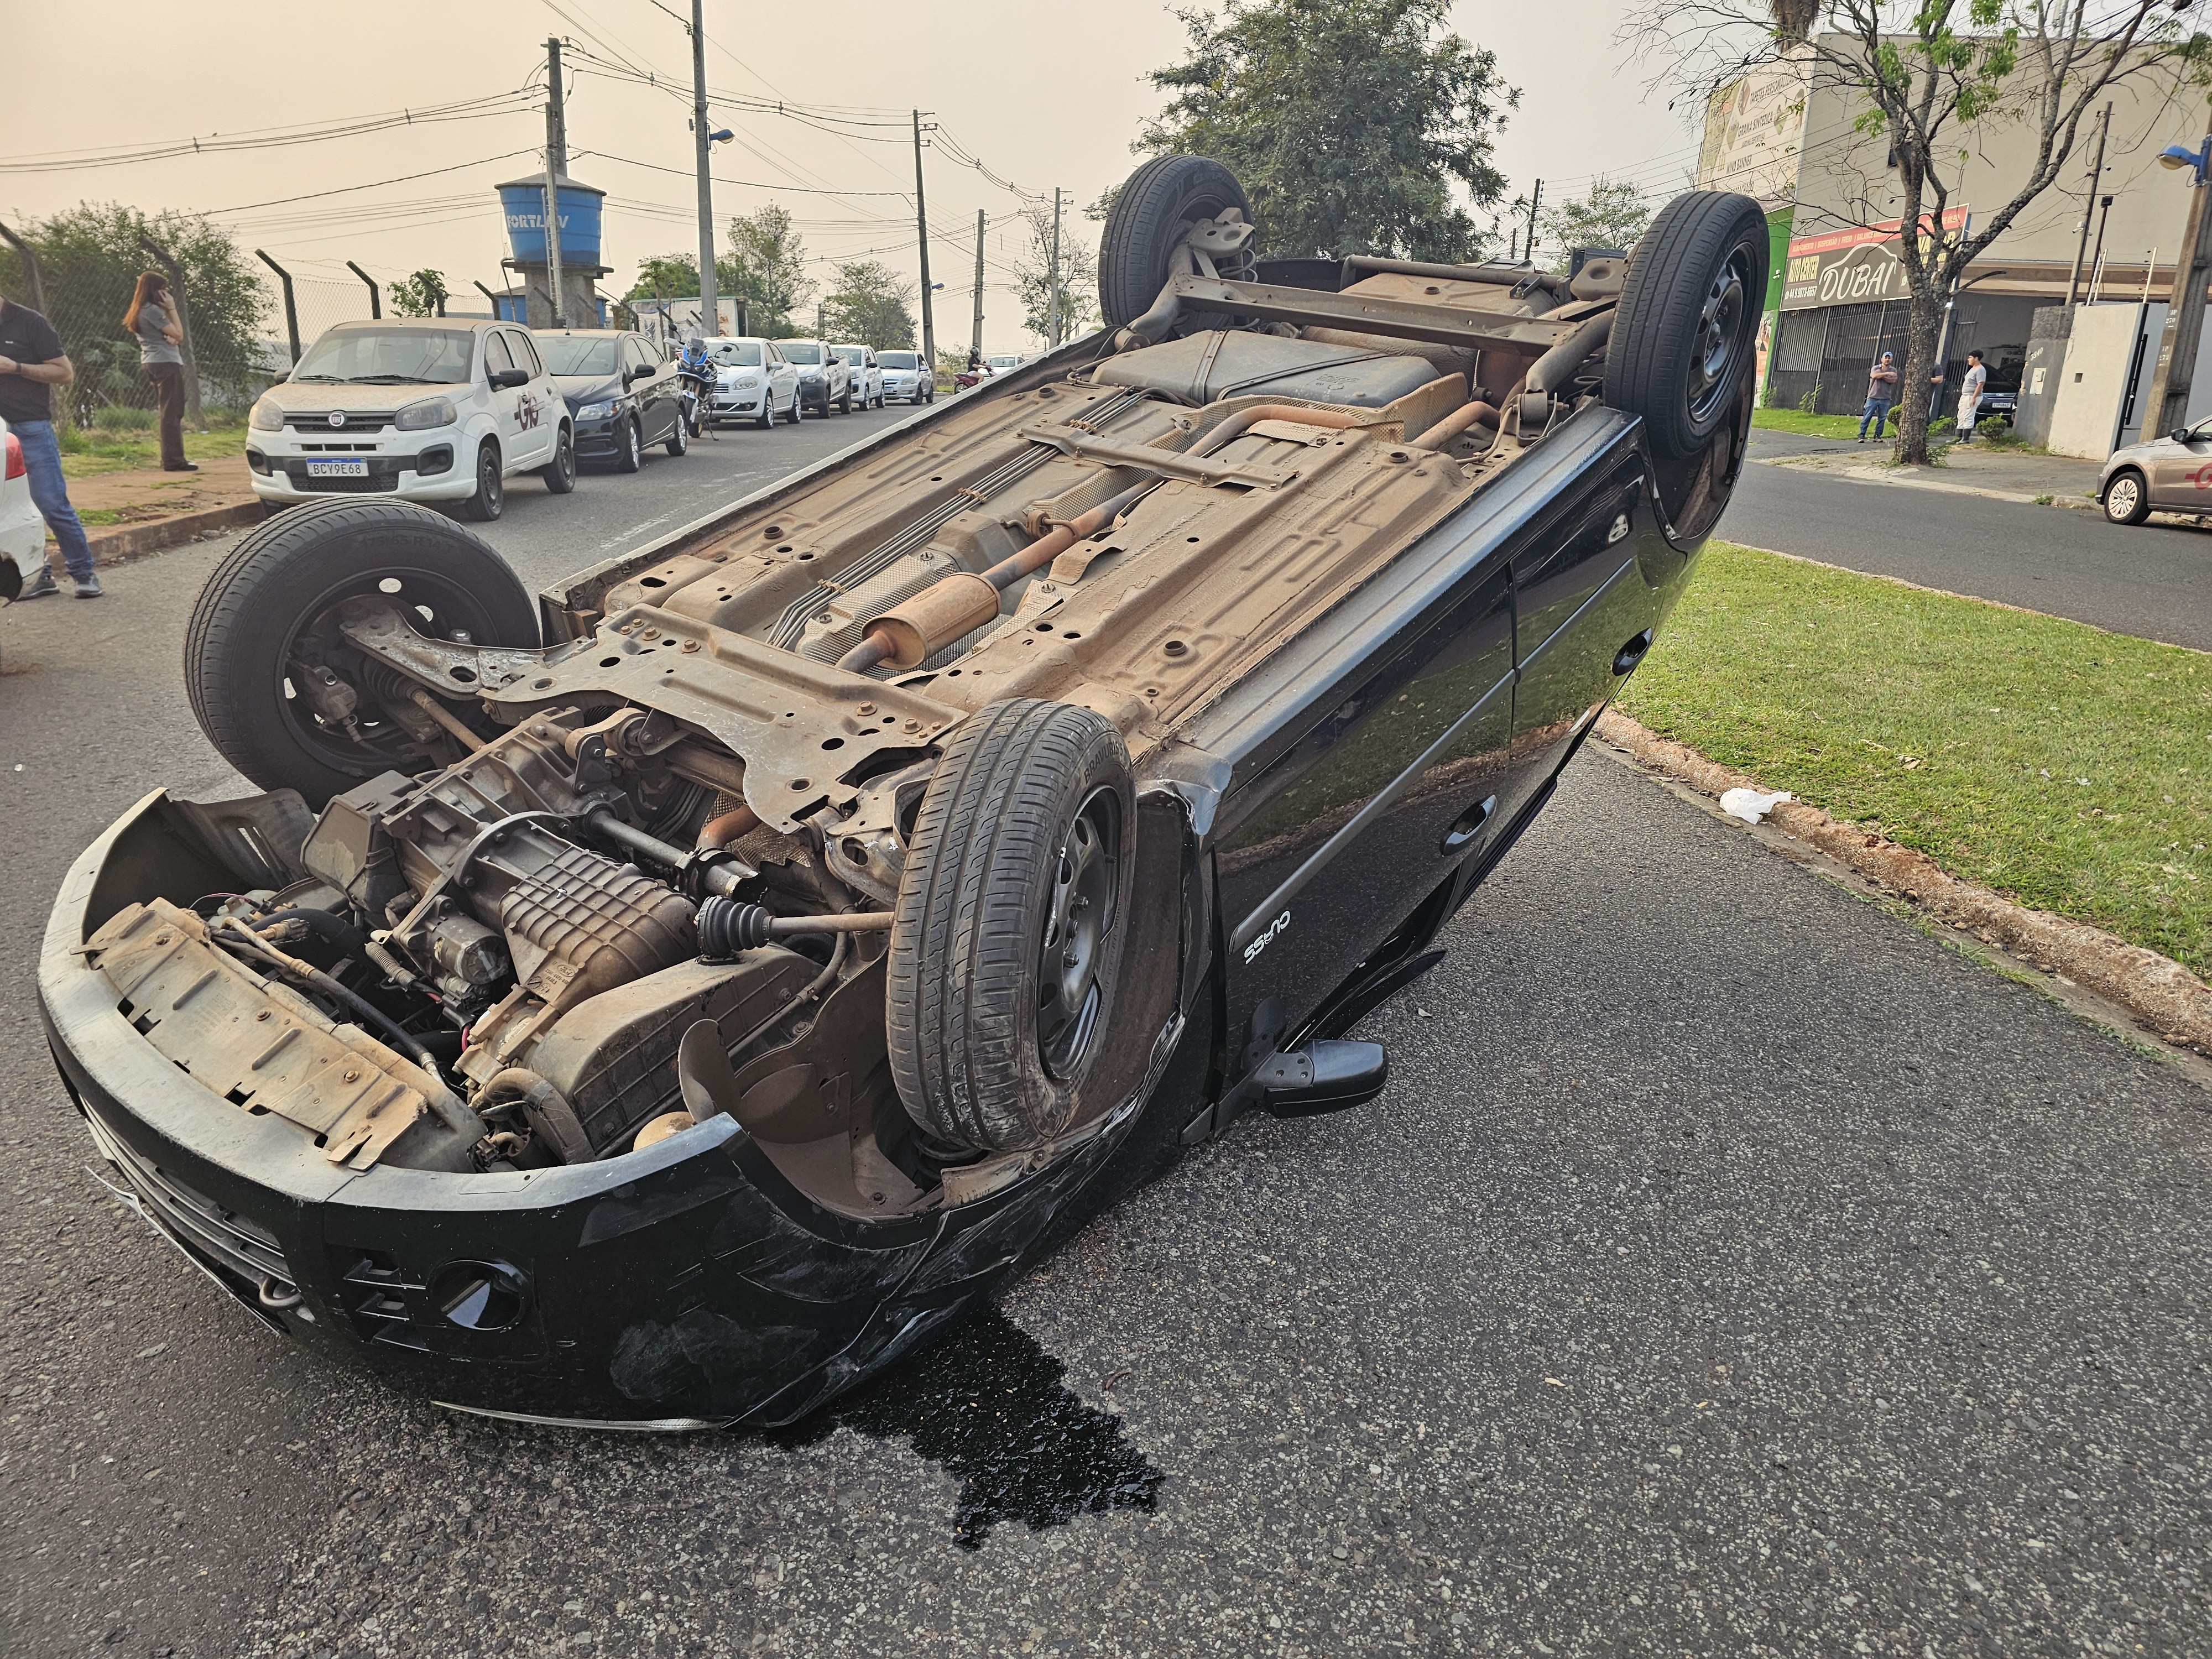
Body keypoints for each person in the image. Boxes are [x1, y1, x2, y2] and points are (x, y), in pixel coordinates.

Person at [0, 290, 102, 599]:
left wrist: (16, 367)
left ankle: (84, 574)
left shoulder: (30, 322)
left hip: (29, 427)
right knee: (9, 510)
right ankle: (39, 575)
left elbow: (64, 373)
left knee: (51, 503)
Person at [123, 271, 192, 472]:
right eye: (162, 288)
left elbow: (174, 336)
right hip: (166, 363)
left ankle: (170, 458)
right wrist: (171, 308)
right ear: (154, 290)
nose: (165, 292)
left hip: (151, 362)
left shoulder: (139, 310)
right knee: (172, 412)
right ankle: (174, 461)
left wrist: (175, 337)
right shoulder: (153, 311)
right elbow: (180, 333)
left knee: (167, 411)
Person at [1859, 351, 1900, 441]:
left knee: (1882, 418)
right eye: (1886, 357)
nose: (1887, 359)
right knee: (1867, 416)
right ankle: (1862, 435)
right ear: (1882, 359)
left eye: (1889, 358)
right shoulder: (1876, 368)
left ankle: (1877, 436)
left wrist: (1881, 376)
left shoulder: (1894, 370)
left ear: (1891, 360)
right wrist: (1886, 375)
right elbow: (1874, 375)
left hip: (1886, 398)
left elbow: (1893, 380)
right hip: (1873, 396)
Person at [1955, 349, 1987, 444]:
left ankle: (1965, 438)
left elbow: (1980, 384)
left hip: (1971, 396)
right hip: (1965, 395)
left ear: (1976, 358)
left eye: (1970, 358)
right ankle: (1959, 436)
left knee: (1968, 416)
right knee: (1961, 415)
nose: (1968, 360)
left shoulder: (1980, 369)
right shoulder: (1973, 369)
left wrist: (1974, 397)